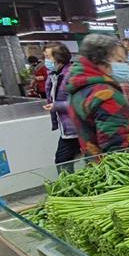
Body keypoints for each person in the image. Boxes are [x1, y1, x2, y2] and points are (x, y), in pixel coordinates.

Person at [67, 34, 129, 157]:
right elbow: (117, 147)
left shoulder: (79, 88)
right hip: (124, 167)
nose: (125, 66)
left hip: (96, 162)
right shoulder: (105, 94)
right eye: (119, 61)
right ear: (100, 60)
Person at [43, 42, 79, 171]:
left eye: (48, 57)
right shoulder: (53, 75)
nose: (45, 60)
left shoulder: (72, 74)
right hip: (68, 128)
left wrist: (56, 106)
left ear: (58, 57)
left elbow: (80, 101)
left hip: (77, 127)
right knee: (64, 161)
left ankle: (69, 188)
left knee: (62, 161)